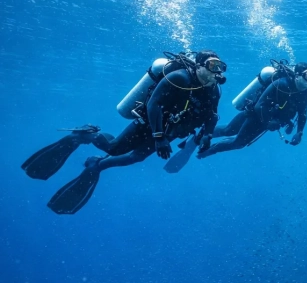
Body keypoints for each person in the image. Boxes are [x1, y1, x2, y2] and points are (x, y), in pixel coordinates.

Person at [21, 50, 225, 214]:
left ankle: (97, 164)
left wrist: (207, 135)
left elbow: (212, 116)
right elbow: (153, 104)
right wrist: (158, 137)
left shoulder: (213, 89)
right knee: (114, 148)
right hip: (150, 123)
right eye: (212, 66)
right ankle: (86, 134)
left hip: (170, 130)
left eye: (219, 67)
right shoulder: (179, 78)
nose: (216, 72)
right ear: (199, 65)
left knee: (136, 157)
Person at [197, 61, 307, 158]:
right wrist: (269, 121)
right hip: (254, 114)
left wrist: (299, 132)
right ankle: (204, 145)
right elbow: (260, 105)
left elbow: (303, 114)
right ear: (297, 75)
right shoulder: (281, 84)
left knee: (234, 138)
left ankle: (204, 139)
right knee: (232, 136)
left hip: (268, 122)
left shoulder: (305, 94)